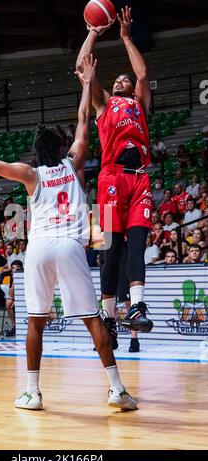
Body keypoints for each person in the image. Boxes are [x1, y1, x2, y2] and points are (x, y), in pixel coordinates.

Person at [0, 54, 137, 411]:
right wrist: (86, 85)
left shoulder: (30, 174)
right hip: (70, 246)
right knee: (92, 319)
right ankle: (117, 389)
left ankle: (32, 393)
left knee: (35, 323)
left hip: (38, 249)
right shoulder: (73, 163)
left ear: (36, 153)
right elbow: (84, 120)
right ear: (59, 148)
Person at [76, 7, 154, 338]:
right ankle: (107, 315)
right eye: (117, 79)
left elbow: (142, 73)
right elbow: (82, 66)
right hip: (109, 178)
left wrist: (124, 37)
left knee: (137, 246)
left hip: (140, 178)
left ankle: (136, 305)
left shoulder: (138, 103)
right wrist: (94, 32)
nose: (122, 80)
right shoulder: (104, 104)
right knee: (110, 252)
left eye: (124, 79)